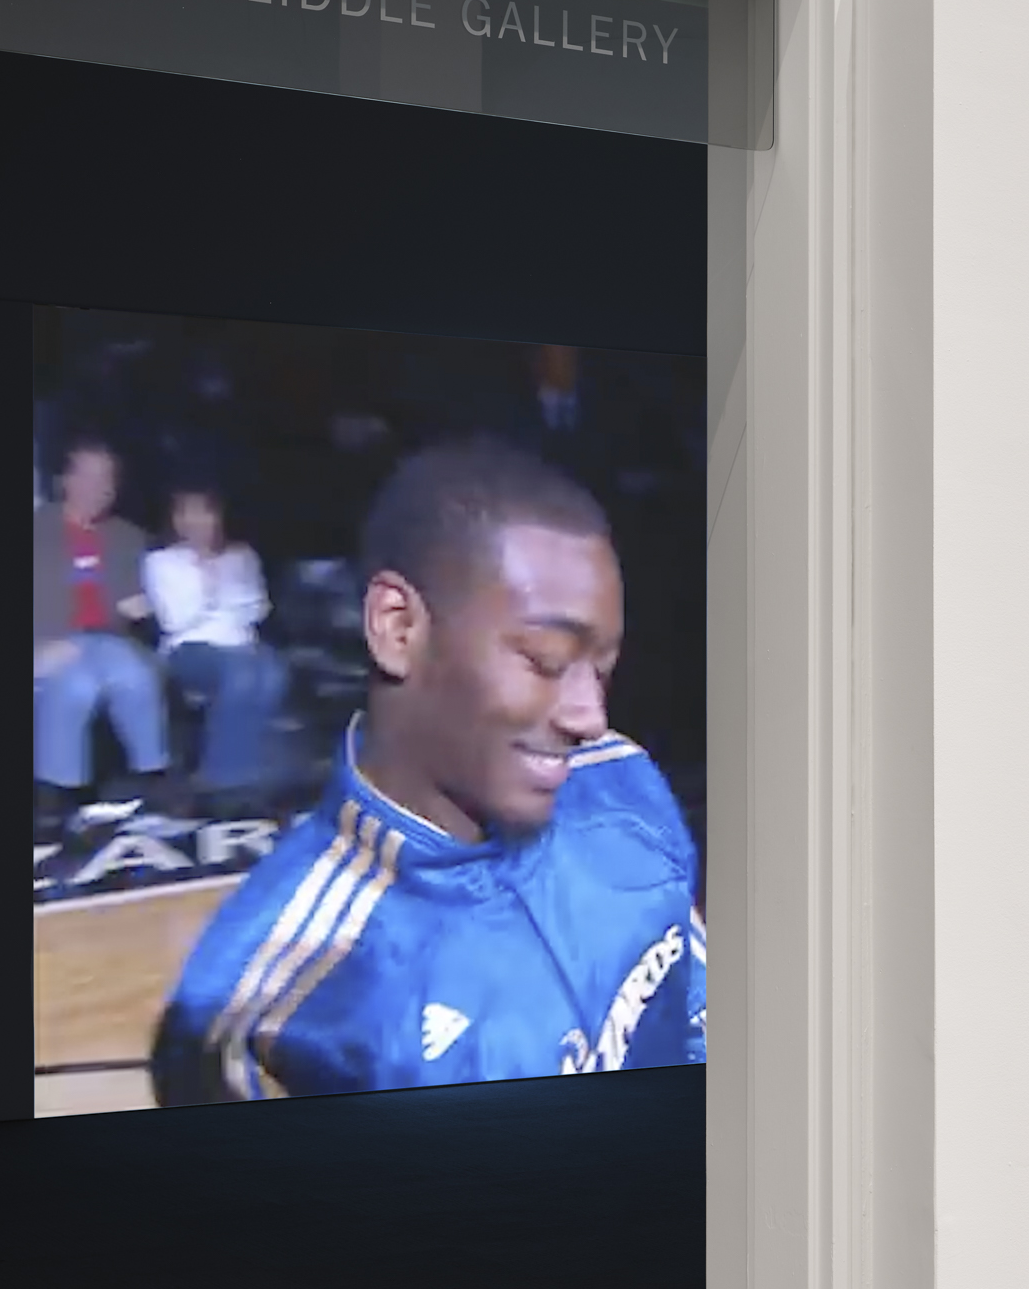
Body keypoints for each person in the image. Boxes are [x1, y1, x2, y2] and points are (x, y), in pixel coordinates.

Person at [148, 435, 704, 1103]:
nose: (589, 713)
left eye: (603, 668)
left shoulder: (621, 782)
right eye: (546, 660)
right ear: (398, 627)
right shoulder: (272, 1005)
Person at [33, 436, 167, 827]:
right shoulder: (38, 528)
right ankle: (57, 794)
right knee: (77, 685)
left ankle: (152, 778)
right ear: (65, 480)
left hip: (109, 639)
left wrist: (143, 607)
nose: (97, 487)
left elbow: (136, 603)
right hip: (49, 641)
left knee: (135, 676)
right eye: (87, 476)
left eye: (106, 479)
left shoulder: (128, 536)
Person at [144, 486, 288, 812]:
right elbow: (177, 618)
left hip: (242, 644)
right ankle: (222, 779)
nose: (195, 522)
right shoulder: (162, 562)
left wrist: (225, 600)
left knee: (273, 673)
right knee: (240, 676)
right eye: (185, 514)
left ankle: (254, 771)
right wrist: (206, 581)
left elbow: (257, 607)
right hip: (189, 648)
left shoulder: (242, 556)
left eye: (203, 512)